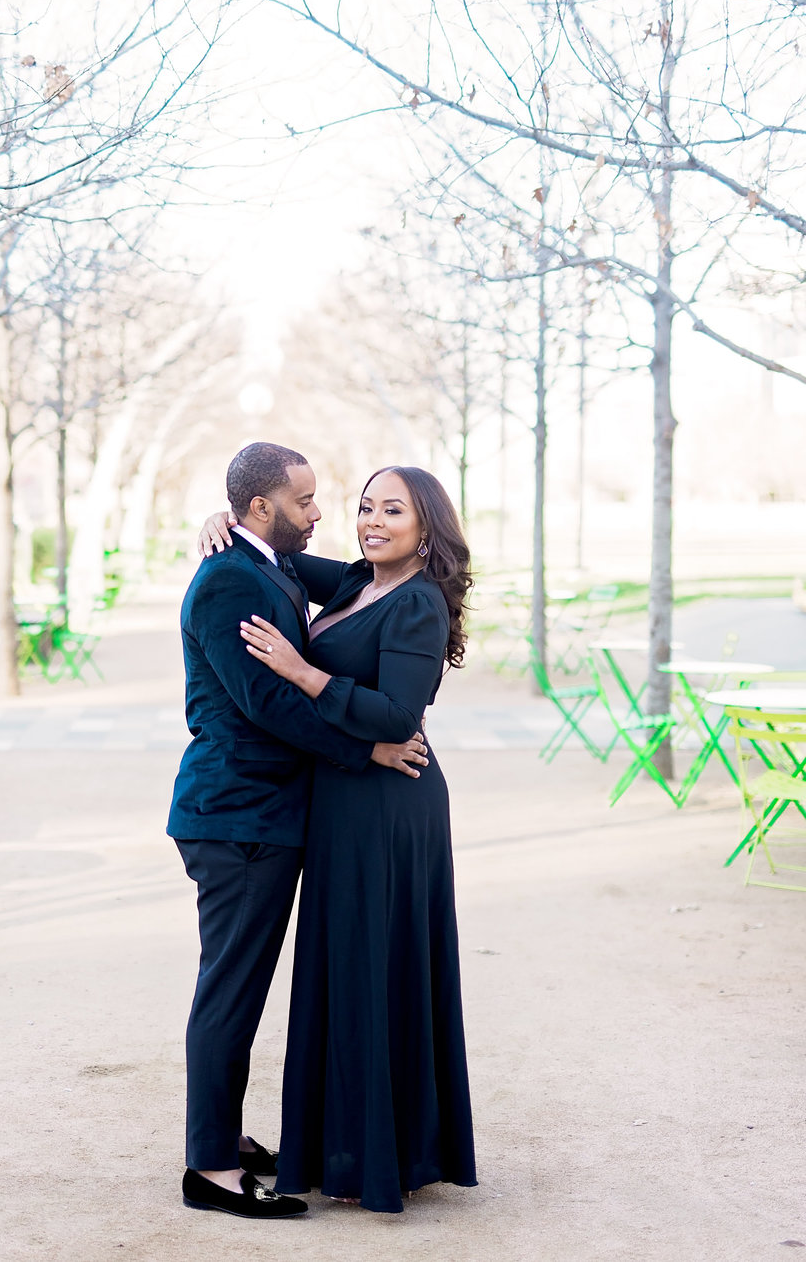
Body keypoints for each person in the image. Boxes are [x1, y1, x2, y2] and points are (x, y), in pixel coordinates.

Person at [199, 464, 477, 1213]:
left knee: (378, 972)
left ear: (428, 528)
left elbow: (396, 717)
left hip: (390, 806)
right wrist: (219, 524)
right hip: (342, 801)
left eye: (394, 510)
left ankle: (387, 1154)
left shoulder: (417, 602)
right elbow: (275, 552)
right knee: (341, 974)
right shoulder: (358, 581)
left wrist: (301, 670)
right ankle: (339, 1145)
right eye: (364, 508)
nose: (370, 521)